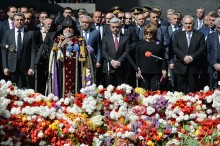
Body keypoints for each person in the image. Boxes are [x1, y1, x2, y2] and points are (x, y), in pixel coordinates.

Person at [48, 16, 94, 98]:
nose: (68, 29)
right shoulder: (58, 39)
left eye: (70, 27)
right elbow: (53, 54)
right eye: (66, 27)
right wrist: (57, 50)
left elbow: (85, 55)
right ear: (63, 28)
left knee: (76, 86)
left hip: (77, 69)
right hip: (62, 68)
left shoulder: (79, 39)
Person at [1, 12, 37, 88]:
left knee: (26, 90)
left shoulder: (30, 33)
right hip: (11, 67)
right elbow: (4, 51)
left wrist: (32, 67)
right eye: (17, 20)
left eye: (21, 20)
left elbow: (33, 52)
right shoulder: (8, 33)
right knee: (12, 90)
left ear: (24, 21)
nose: (19, 21)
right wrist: (5, 67)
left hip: (26, 68)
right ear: (13, 21)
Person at [172, 15, 205, 93]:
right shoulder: (177, 35)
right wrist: (183, 57)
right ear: (183, 24)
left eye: (190, 23)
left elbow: (202, 48)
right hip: (180, 67)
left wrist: (191, 57)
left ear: (193, 23)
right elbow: (174, 48)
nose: (188, 25)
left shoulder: (200, 35)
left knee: (193, 91)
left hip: (194, 67)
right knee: (180, 93)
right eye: (186, 23)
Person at [136, 24, 167, 90]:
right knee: (144, 91)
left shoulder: (159, 43)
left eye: (151, 32)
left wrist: (164, 69)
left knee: (154, 91)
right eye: (146, 32)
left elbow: (163, 57)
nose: (148, 34)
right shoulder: (140, 44)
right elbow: (137, 57)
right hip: (143, 71)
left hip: (156, 71)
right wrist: (138, 68)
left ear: (154, 33)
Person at [102, 17, 130, 86]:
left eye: (117, 27)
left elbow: (127, 51)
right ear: (110, 27)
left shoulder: (126, 37)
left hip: (122, 68)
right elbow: (104, 51)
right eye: (113, 27)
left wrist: (119, 61)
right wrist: (112, 61)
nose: (115, 29)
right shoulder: (106, 37)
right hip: (109, 67)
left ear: (121, 27)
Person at [81, 15, 103, 86]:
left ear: (90, 23)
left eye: (86, 22)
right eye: (83, 22)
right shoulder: (78, 32)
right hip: (80, 59)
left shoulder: (96, 32)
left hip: (91, 59)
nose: (84, 24)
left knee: (91, 78)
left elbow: (99, 48)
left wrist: (98, 61)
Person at [206, 17, 220, 89]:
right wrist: (214, 64)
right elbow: (207, 52)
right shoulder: (210, 36)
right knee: (213, 90)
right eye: (219, 27)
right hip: (213, 68)